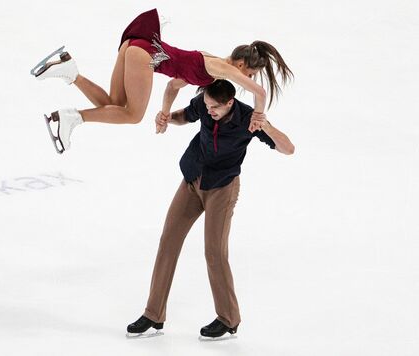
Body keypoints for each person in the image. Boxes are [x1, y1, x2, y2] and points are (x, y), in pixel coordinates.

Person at [125, 80, 295, 338]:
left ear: (230, 103)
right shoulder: (205, 106)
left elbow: (288, 149)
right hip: (193, 179)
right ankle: (153, 314)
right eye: (207, 105)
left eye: (215, 107)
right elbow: (186, 115)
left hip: (222, 188)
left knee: (214, 252)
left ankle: (228, 318)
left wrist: (267, 126)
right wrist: (168, 118)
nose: (210, 110)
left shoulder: (248, 119)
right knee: (168, 241)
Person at [32, 8, 293, 153]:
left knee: (114, 104)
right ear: (240, 64)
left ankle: (69, 71)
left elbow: (172, 85)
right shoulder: (224, 69)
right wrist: (259, 117)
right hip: (144, 54)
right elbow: (259, 91)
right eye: (248, 73)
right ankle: (69, 118)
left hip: (135, 46)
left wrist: (165, 113)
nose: (246, 79)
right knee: (133, 115)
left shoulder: (210, 68)